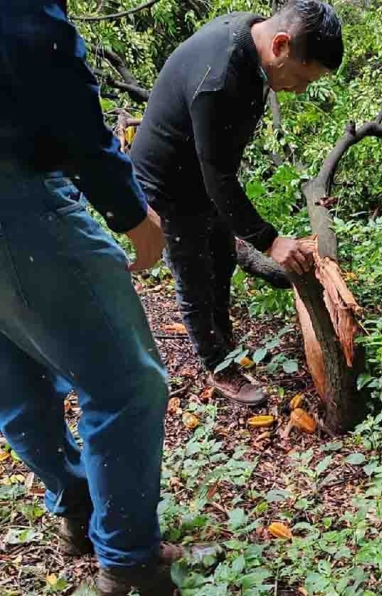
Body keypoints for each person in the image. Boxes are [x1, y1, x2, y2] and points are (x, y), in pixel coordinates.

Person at [0, 0, 182, 596]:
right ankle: (128, 564)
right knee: (128, 384)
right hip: (18, 200)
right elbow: (58, 84)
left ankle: (79, 509)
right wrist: (132, 212)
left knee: (17, 378)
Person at [131, 0, 344, 407]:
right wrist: (270, 241)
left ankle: (223, 338)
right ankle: (218, 366)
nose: (299, 89)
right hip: (168, 181)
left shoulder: (251, 35)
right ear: (281, 45)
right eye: (301, 78)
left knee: (221, 257)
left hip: (202, 173)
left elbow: (218, 167)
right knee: (194, 271)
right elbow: (218, 176)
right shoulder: (221, 75)